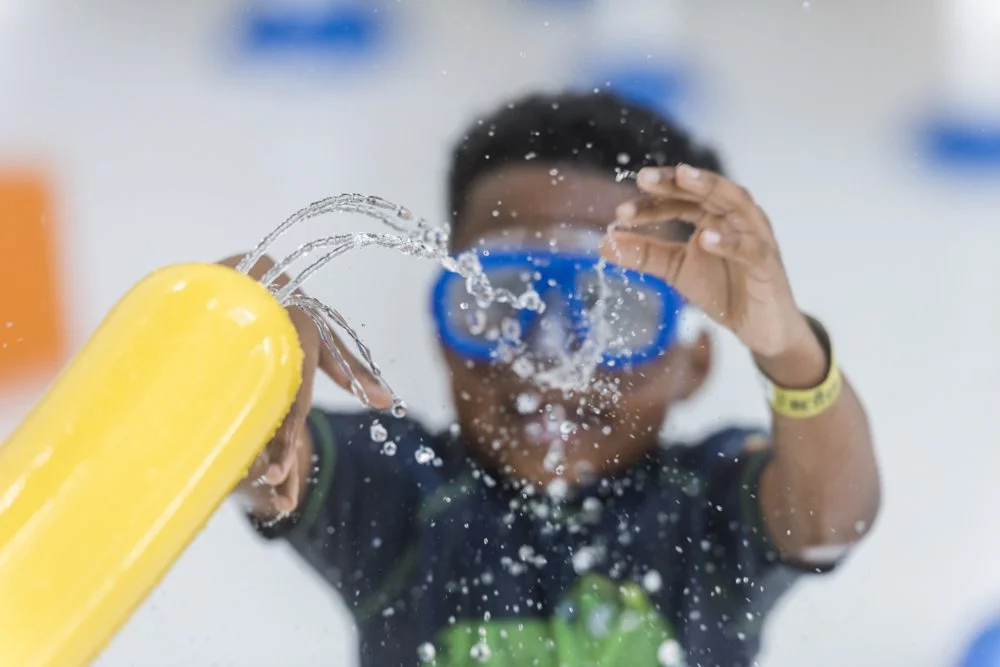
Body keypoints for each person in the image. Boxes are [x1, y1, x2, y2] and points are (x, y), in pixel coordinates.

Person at [226, 91, 881, 667]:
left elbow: (830, 518)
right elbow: (247, 449)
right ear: (444, 332)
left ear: (694, 362)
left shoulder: (707, 510)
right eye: (502, 299)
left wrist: (789, 350)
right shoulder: (393, 493)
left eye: (613, 310)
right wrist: (242, 334)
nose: (549, 354)